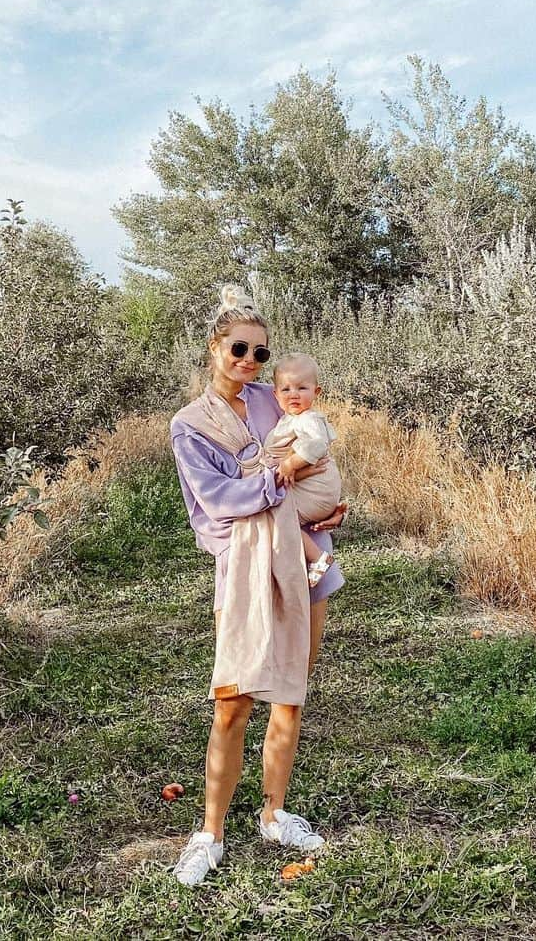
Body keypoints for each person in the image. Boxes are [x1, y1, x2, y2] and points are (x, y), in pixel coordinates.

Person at [169, 286, 347, 887]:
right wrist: (281, 481)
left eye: (260, 353)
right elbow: (219, 500)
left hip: (306, 558)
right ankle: (210, 831)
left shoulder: (274, 404)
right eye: (239, 347)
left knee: (290, 693)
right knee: (233, 701)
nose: (249, 360)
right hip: (243, 567)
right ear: (215, 346)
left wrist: (326, 507)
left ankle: (274, 812)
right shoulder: (190, 426)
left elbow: (314, 454)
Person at [268, 352, 342, 589]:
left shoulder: (307, 418)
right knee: (276, 515)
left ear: (316, 392)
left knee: (277, 516)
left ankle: (317, 557)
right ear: (276, 394)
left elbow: (316, 444)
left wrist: (290, 463)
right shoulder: (290, 419)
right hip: (315, 489)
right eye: (286, 389)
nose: (294, 395)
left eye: (302, 388)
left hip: (317, 490)